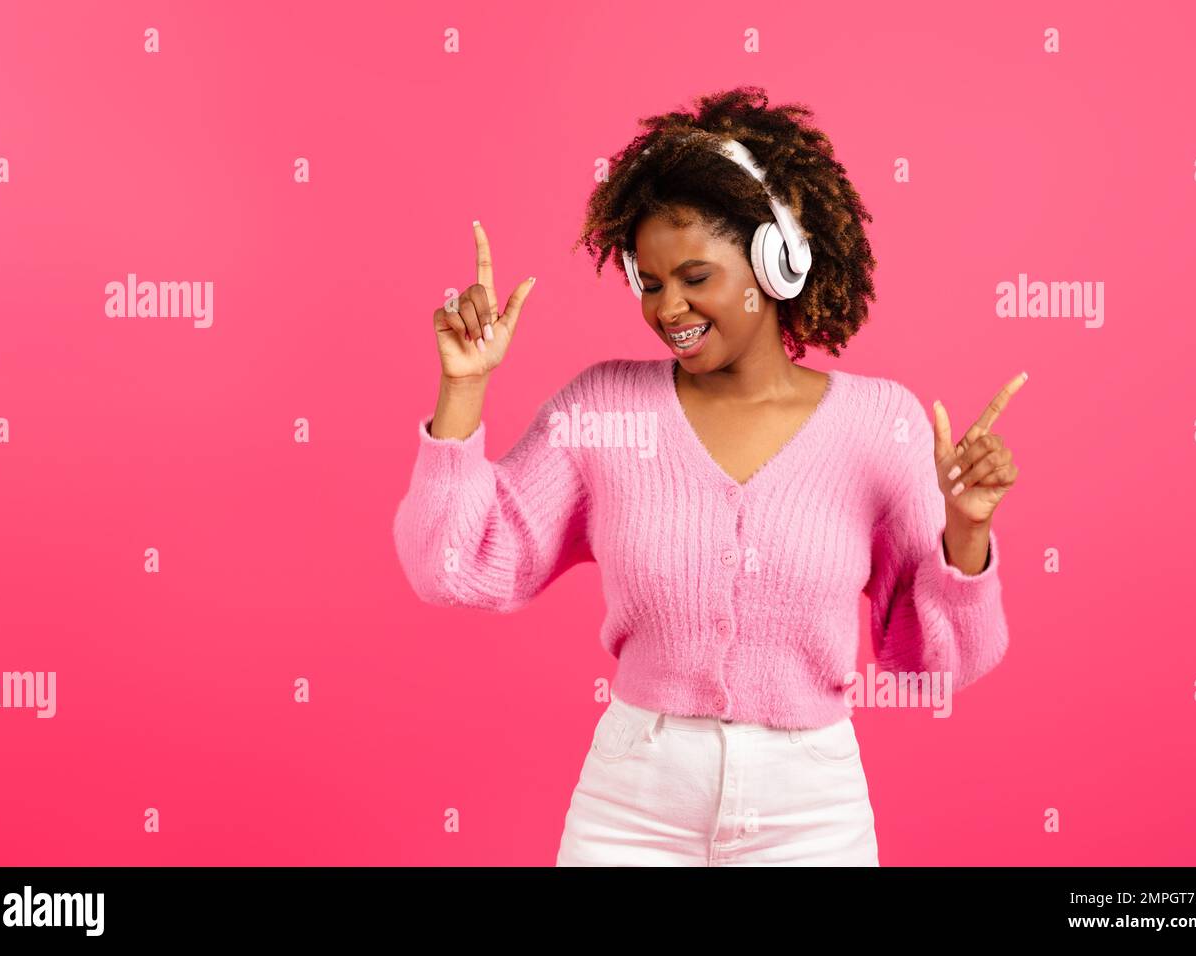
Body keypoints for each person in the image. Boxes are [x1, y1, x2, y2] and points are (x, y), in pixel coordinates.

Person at [393, 87, 1023, 866]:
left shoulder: (878, 426)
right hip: (632, 806)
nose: (669, 309)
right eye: (650, 283)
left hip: (810, 814)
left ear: (775, 261)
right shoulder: (604, 408)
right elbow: (452, 567)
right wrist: (463, 388)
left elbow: (935, 663)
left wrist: (968, 533)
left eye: (696, 277)